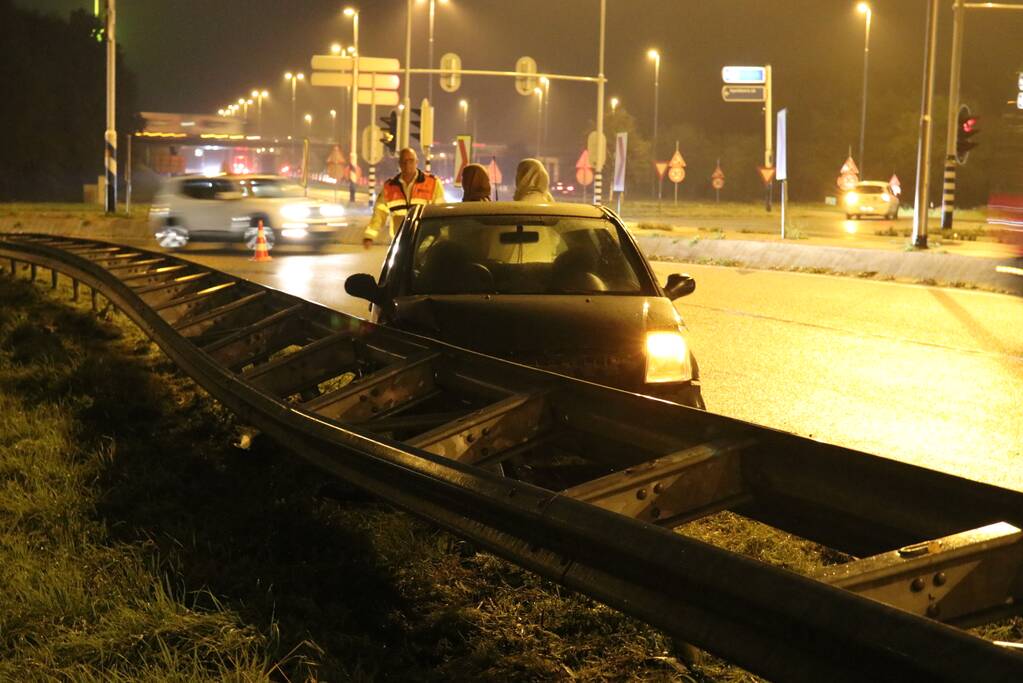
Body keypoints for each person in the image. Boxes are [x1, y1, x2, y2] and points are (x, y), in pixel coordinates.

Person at [363, 147, 445, 248]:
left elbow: (441, 212)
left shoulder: (432, 183)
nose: (407, 165)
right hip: (399, 242)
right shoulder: (390, 187)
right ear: (399, 164)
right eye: (404, 161)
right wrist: (369, 236)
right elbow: (379, 214)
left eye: (411, 161)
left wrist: (443, 237)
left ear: (416, 162)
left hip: (424, 242)